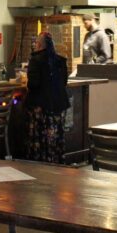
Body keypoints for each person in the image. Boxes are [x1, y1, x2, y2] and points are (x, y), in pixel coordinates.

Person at [24, 32, 70, 163]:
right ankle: (56, 159)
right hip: (59, 105)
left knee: (40, 137)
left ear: (38, 45)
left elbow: (33, 84)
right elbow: (64, 82)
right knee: (56, 135)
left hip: (41, 106)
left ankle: (41, 160)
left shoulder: (35, 60)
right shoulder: (61, 60)